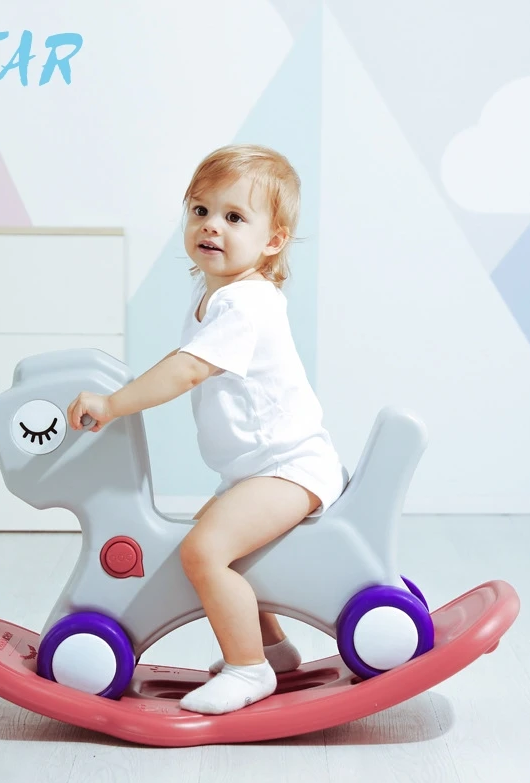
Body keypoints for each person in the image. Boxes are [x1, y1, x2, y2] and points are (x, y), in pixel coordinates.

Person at [67, 144, 347, 714]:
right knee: (210, 547)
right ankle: (273, 650)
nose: (211, 226)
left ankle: (248, 670)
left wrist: (115, 404)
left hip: (290, 468)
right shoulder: (216, 295)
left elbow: (188, 369)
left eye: (234, 217)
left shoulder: (245, 303)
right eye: (200, 210)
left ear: (273, 241)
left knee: (205, 551)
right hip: (259, 469)